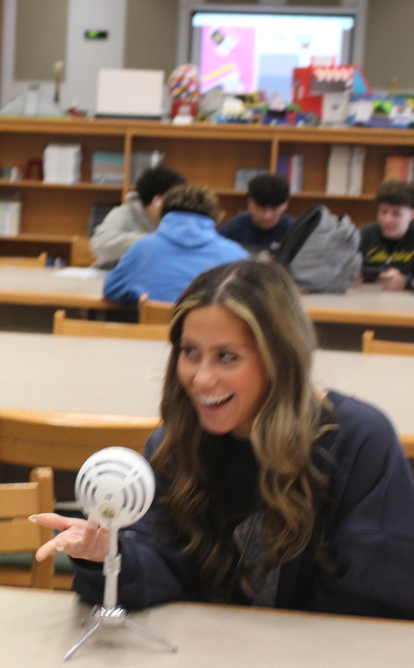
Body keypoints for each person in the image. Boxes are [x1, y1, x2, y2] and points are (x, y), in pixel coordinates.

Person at [35, 260, 414, 620]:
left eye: (227, 357)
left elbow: (374, 602)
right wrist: (111, 557)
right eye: (190, 353)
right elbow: (162, 570)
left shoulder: (357, 441)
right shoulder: (175, 445)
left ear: (279, 358)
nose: (201, 379)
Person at [102, 185, 248, 306]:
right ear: (215, 218)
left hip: (149, 338)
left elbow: (111, 289)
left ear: (162, 214)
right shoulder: (237, 256)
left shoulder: (141, 249)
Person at [90, 165, 187, 268]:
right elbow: (100, 244)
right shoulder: (124, 213)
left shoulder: (179, 220)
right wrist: (156, 241)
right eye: (175, 201)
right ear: (157, 201)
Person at [359, 180, 414, 291]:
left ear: (412, 214)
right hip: (367, 300)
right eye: (383, 212)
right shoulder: (364, 234)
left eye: (396, 214)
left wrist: (406, 281)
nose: (387, 220)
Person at [218, 173, 293, 253]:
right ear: (250, 202)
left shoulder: (294, 232)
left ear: (286, 204)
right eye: (261, 208)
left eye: (274, 209)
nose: (267, 216)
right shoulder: (229, 231)